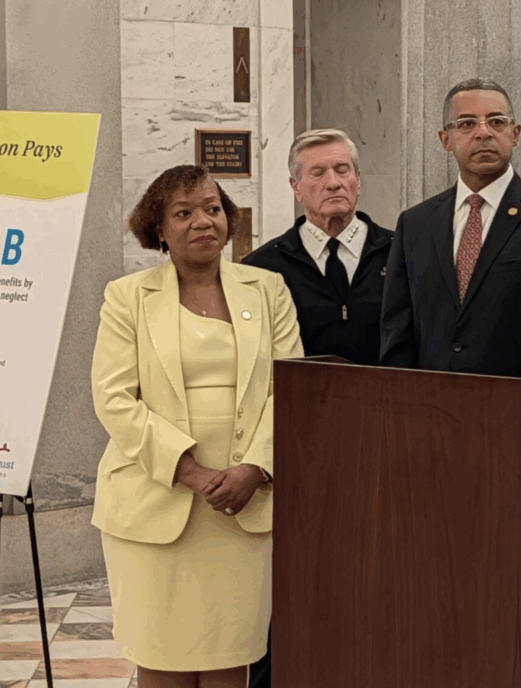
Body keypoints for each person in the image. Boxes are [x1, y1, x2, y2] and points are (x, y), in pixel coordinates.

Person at [91, 165, 303, 688]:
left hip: (244, 506)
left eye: (212, 208)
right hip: (152, 502)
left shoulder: (268, 289)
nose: (202, 222)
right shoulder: (126, 297)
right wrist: (187, 470)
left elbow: (293, 390)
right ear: (158, 229)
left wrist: (255, 467)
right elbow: (114, 399)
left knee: (232, 658)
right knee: (161, 658)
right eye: (183, 213)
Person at [379, 79, 521, 377]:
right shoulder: (414, 224)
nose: (484, 132)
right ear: (445, 139)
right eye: (467, 123)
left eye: (497, 121)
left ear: (515, 133)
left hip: (518, 412)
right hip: (427, 412)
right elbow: (396, 335)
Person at [244, 128, 392, 365]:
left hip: (390, 397)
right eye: (318, 173)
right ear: (296, 188)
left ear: (358, 180)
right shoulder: (263, 267)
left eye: (342, 170)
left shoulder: (398, 253)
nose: (333, 183)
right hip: (301, 398)